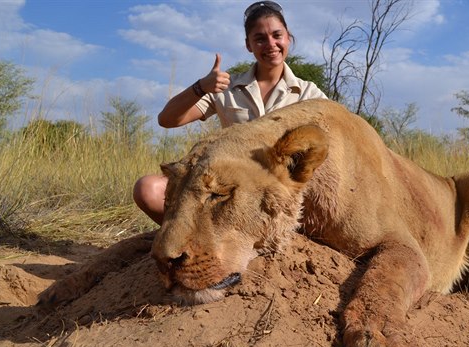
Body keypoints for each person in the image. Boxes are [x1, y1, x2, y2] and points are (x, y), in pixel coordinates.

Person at [133, 1, 328, 225]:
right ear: (248, 45)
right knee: (149, 189)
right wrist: (201, 87)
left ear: (288, 38)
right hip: (229, 192)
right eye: (260, 39)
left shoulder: (309, 93)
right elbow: (167, 120)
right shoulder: (225, 87)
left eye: (277, 35)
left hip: (281, 196)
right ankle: (188, 242)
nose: (271, 44)